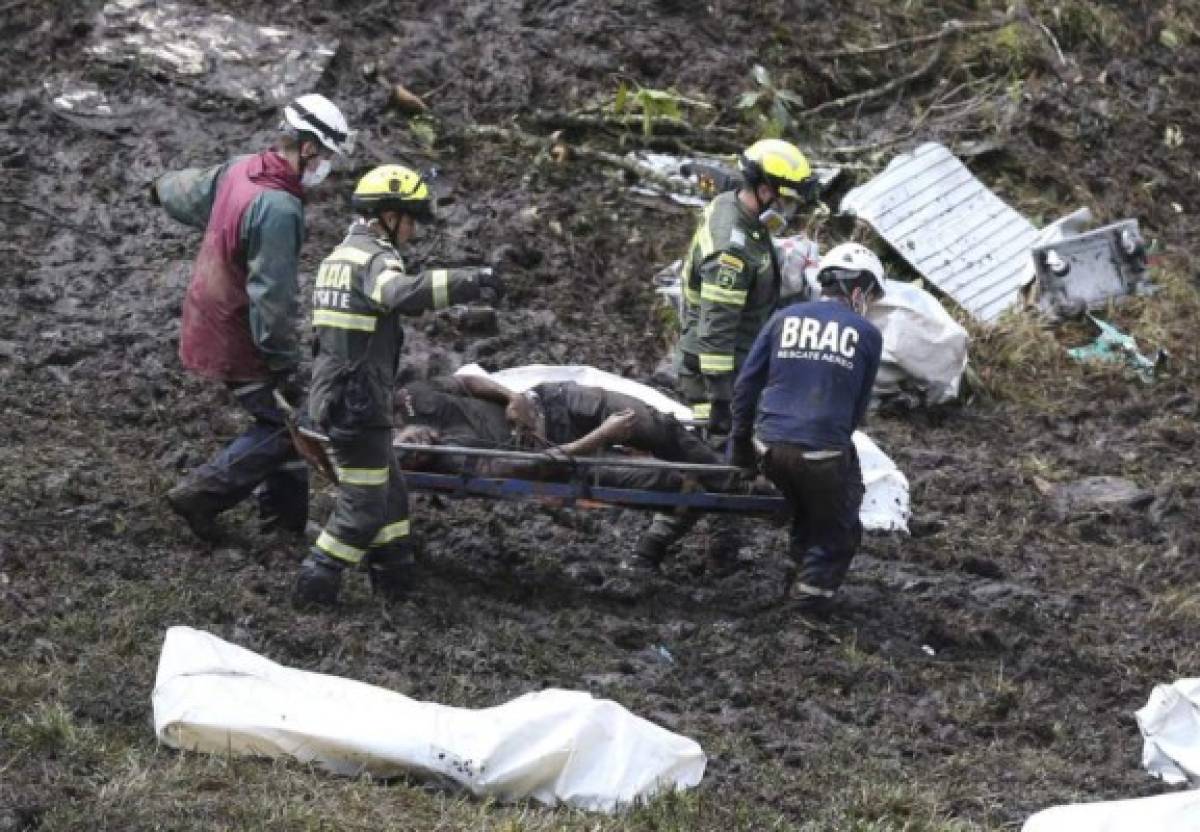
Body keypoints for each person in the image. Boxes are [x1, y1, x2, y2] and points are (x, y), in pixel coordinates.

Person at [294, 165, 505, 607]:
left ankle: (395, 576)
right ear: (388, 215)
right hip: (356, 403)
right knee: (364, 507)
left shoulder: (339, 257)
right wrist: (473, 281)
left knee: (390, 492)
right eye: (410, 219)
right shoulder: (376, 258)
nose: (412, 231)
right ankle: (317, 582)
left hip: (337, 395)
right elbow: (400, 294)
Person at [155, 94, 354, 541]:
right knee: (292, 425)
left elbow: (192, 190)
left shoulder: (244, 167)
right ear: (307, 148)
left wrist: (159, 187)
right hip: (237, 331)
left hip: (206, 311)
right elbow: (273, 297)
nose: (326, 167)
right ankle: (203, 494)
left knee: (282, 421)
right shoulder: (280, 209)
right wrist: (282, 362)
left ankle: (283, 525)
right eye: (325, 156)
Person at [392, 375, 741, 570]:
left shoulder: (412, 397)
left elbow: (466, 382)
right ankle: (654, 546)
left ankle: (735, 484)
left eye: (410, 443)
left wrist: (511, 395)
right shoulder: (456, 461)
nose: (422, 446)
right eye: (417, 458)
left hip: (554, 402)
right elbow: (537, 465)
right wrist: (601, 437)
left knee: (657, 426)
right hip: (568, 462)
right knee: (673, 483)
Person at [729, 243, 885, 612]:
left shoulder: (783, 317)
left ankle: (793, 574)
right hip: (821, 450)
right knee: (839, 527)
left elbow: (746, 386)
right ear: (858, 291)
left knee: (809, 509)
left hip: (767, 445)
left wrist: (740, 448)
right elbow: (856, 413)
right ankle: (805, 609)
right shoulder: (866, 333)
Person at [673, 138, 817, 438]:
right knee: (716, 456)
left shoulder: (734, 201)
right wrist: (722, 402)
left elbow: (720, 178)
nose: (789, 211)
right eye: (787, 201)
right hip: (714, 378)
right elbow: (716, 331)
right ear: (764, 191)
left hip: (739, 359)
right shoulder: (732, 254)